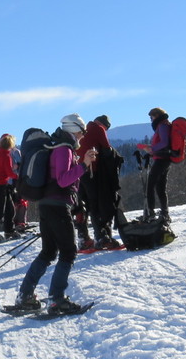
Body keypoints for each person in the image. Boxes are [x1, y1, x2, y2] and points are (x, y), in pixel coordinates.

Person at [8, 114, 96, 315]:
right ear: (74, 130)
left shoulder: (58, 146)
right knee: (68, 252)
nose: (83, 136)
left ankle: (25, 295)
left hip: (48, 205)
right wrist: (83, 165)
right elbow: (63, 180)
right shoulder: (64, 149)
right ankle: (57, 299)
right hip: (58, 206)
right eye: (82, 132)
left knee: (48, 252)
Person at [79, 115, 124, 249]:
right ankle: (102, 238)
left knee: (81, 205)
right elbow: (107, 149)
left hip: (76, 172)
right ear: (105, 126)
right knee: (96, 204)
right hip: (91, 171)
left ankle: (83, 239)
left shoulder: (82, 129)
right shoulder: (98, 129)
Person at [145, 108, 173, 222]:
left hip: (162, 159)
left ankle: (150, 213)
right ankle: (164, 213)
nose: (151, 120)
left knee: (150, 185)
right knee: (160, 187)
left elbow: (164, 142)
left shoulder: (162, 126)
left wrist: (152, 149)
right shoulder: (165, 124)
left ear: (156, 115)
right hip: (165, 158)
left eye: (151, 117)